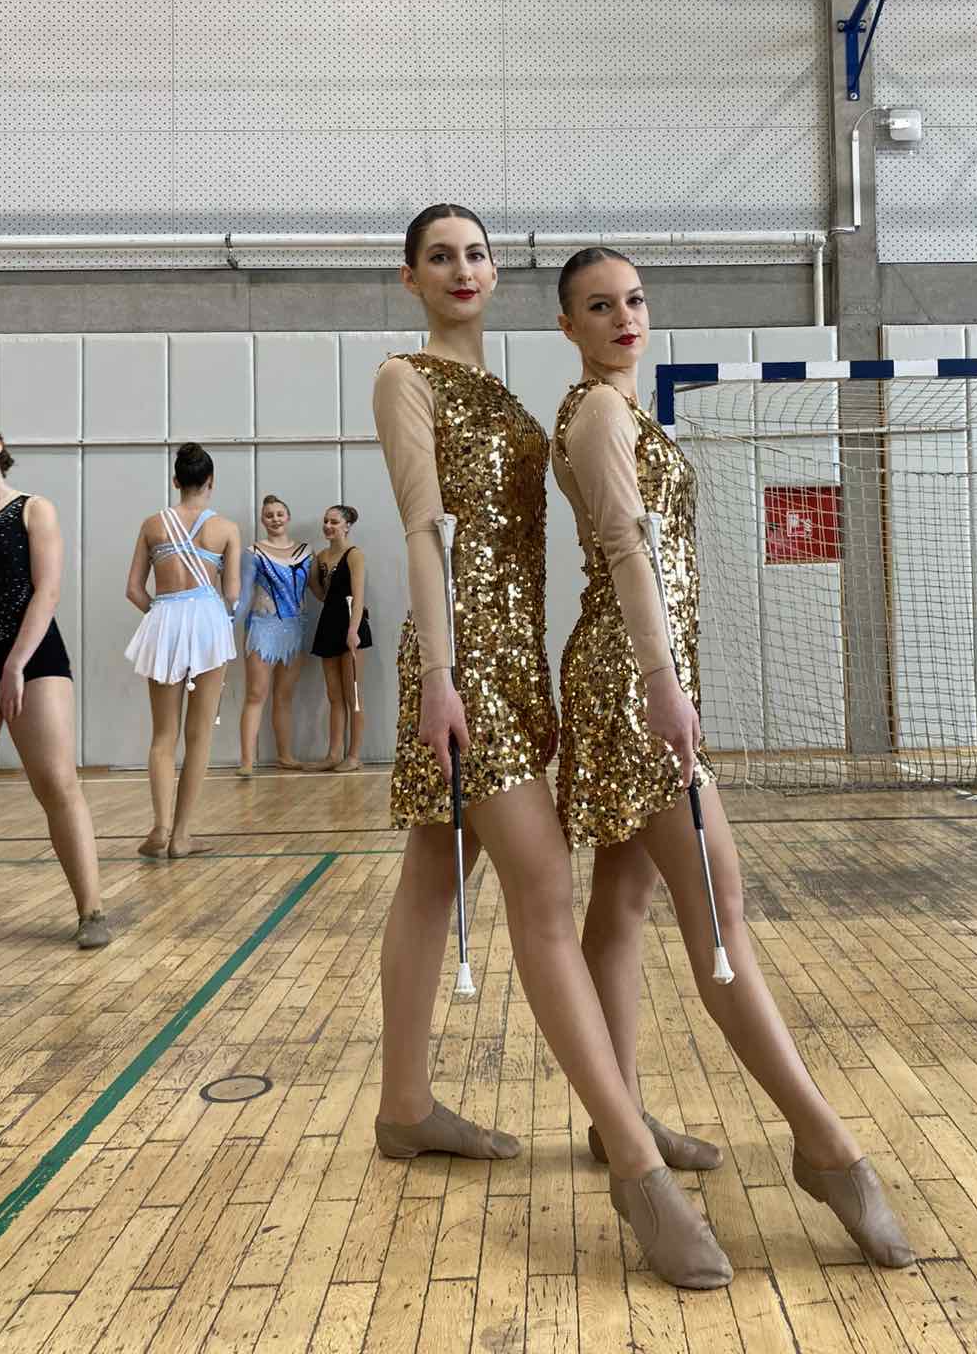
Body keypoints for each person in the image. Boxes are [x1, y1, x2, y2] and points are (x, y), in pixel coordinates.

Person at [372, 203, 732, 1290]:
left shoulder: (514, 398)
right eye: (440, 256)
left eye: (476, 253)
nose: (462, 268)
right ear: (410, 278)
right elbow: (424, 533)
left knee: (432, 876)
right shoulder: (405, 378)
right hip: (464, 667)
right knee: (542, 885)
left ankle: (404, 1106)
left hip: (520, 661)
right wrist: (442, 677)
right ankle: (631, 1162)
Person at [552, 247, 914, 1269]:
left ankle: (616, 1115)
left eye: (633, 300)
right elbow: (627, 551)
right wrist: (662, 681)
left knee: (622, 903)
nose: (624, 317)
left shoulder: (625, 409)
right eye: (598, 306)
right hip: (631, 677)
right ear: (569, 327)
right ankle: (825, 1146)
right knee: (720, 910)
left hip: (643, 669)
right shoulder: (599, 413)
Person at [0, 426, 110, 948]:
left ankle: (92, 911)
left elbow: (47, 592)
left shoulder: (32, 509)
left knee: (57, 783)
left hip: (32, 653)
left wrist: (14, 664)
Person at [124, 442, 239, 859]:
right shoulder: (226, 529)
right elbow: (232, 593)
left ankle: (160, 826)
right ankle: (182, 836)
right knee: (199, 734)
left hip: (165, 619)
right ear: (210, 481)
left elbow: (134, 589)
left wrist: (162, 616)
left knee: (163, 735)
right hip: (208, 621)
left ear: (176, 481)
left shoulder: (152, 524)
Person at [236, 494, 311, 776]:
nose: (275, 519)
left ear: (287, 517)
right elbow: (244, 595)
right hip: (262, 627)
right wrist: (228, 625)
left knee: (284, 695)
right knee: (256, 693)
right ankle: (246, 760)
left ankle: (285, 755)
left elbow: (317, 588)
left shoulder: (306, 552)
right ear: (262, 520)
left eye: (280, 514)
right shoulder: (253, 553)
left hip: (295, 628)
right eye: (269, 515)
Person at [307, 506, 370, 772]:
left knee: (352, 695)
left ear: (347, 526)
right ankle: (334, 754)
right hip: (329, 624)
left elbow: (358, 596)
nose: (328, 525)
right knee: (333, 695)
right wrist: (311, 571)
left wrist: (353, 630)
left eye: (334, 521)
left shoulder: (354, 555)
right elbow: (322, 594)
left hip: (351, 625)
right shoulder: (322, 556)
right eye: (325, 521)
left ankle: (354, 755)